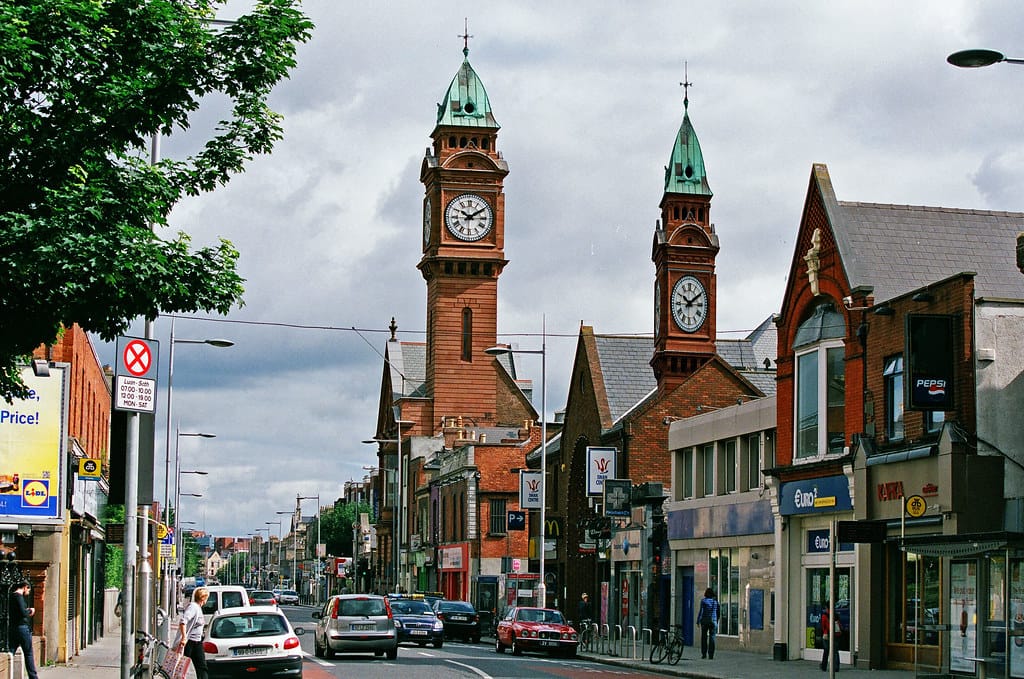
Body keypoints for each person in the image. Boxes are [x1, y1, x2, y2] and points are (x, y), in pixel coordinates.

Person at [178, 586, 210, 679]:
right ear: (203, 598)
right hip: (190, 642)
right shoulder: (193, 607)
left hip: (196, 642)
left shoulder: (197, 608)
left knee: (201, 667)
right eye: (207, 597)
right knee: (181, 667)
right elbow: (183, 621)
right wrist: (184, 638)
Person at [9, 579, 38, 679]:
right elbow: (22, 612)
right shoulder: (19, 597)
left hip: (13, 628)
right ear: (25, 587)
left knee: (11, 650)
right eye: (28, 590)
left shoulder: (11, 596)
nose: (28, 592)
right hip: (22, 628)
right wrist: (30, 611)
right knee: (28, 653)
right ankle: (33, 677)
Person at [696, 587, 719, 660]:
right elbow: (718, 612)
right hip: (713, 621)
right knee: (712, 638)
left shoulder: (703, 601)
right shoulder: (715, 602)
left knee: (704, 638)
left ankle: (704, 654)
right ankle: (711, 655)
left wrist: (698, 621)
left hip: (705, 621)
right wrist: (716, 620)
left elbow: (701, 611)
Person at [820, 601, 840, 672]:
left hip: (827, 634)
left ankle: (824, 666)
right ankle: (836, 667)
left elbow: (823, 626)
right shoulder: (836, 615)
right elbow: (839, 625)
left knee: (826, 650)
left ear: (826, 607)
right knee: (835, 651)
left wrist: (824, 632)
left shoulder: (825, 615)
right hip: (836, 634)